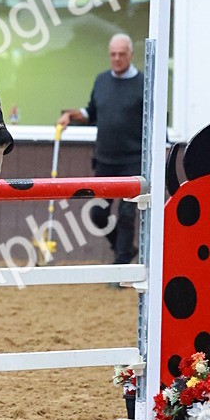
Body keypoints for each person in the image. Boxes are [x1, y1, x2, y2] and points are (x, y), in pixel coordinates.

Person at [58, 32, 143, 266]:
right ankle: (123, 249)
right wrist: (70, 116)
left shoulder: (143, 84)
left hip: (133, 161)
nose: (117, 59)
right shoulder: (102, 80)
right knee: (98, 214)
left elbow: (154, 122)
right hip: (105, 160)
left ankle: (121, 264)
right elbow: (90, 112)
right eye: (113, 54)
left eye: (122, 54)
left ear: (131, 55)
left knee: (126, 214)